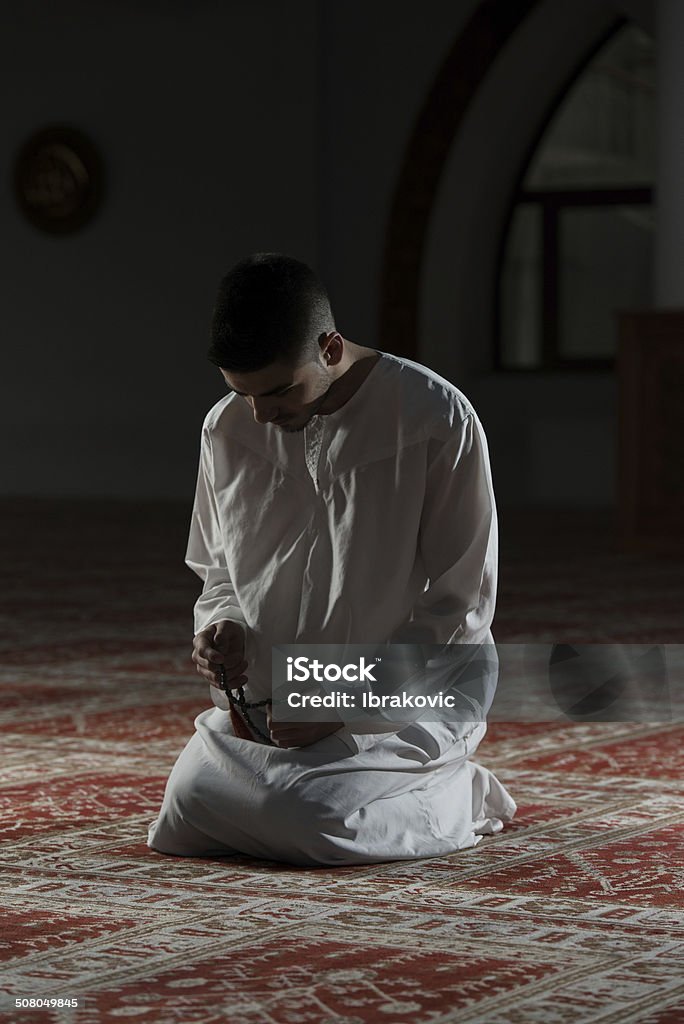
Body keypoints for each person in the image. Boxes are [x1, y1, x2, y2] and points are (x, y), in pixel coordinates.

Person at [147, 252, 516, 866]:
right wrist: (223, 630)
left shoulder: (433, 417)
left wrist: (337, 700)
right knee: (185, 812)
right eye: (242, 393)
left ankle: (459, 791)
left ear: (331, 346)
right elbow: (217, 571)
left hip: (404, 695)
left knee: (314, 823)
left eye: (279, 391)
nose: (261, 414)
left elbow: (459, 606)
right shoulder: (227, 426)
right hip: (275, 700)